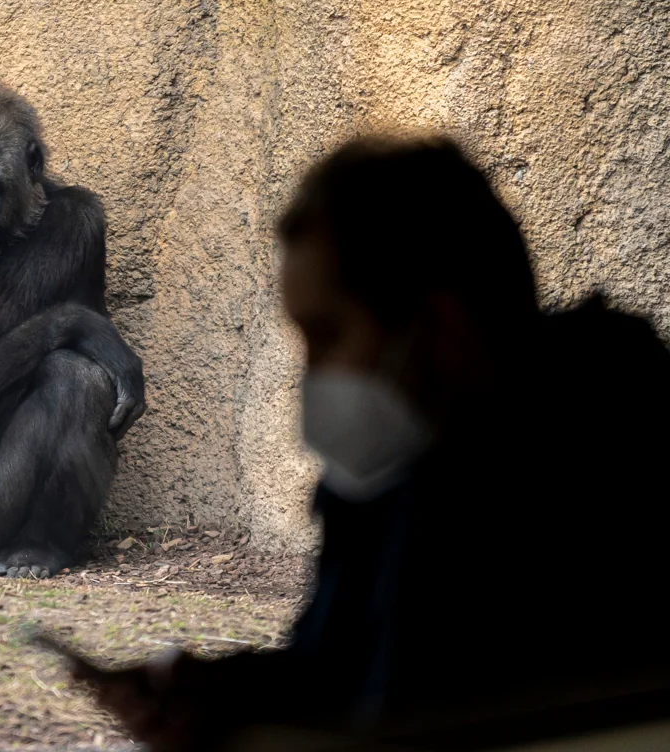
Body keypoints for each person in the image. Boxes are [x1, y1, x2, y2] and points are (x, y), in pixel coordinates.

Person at [71, 137, 670, 751]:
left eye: (328, 335)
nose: (310, 374)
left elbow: (422, 713)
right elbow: (335, 672)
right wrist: (215, 694)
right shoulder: (379, 474)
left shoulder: (605, 489)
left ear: (439, 327)